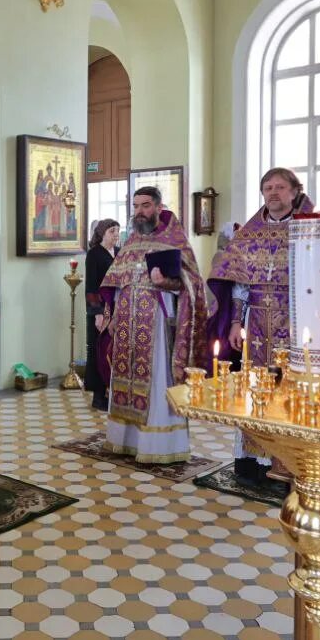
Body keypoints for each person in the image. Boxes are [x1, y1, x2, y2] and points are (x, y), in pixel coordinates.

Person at [207, 167, 313, 498]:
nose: (273, 193)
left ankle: (286, 464)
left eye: (280, 187)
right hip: (256, 325)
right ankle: (251, 462)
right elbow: (239, 283)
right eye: (268, 187)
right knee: (255, 390)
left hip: (295, 324)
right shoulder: (249, 233)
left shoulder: (307, 229)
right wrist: (236, 322)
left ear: (295, 191)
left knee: (288, 392)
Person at [98, 187, 207, 464]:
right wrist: (109, 315)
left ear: (158, 207)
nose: (139, 212)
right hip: (127, 323)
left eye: (145, 206)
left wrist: (165, 283)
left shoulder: (174, 239)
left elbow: (192, 284)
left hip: (156, 323)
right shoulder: (131, 240)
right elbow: (114, 281)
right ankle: (126, 440)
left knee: (157, 378)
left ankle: (158, 444)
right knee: (125, 378)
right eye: (135, 206)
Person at [84, 219, 118, 411]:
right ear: (102, 233)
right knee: (98, 350)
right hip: (100, 311)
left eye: (117, 231)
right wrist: (97, 313)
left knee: (114, 350)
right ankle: (98, 395)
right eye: (112, 231)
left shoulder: (120, 252)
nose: (116, 235)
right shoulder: (94, 254)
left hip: (116, 309)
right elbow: (91, 286)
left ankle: (113, 391)